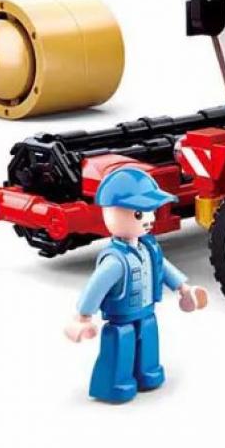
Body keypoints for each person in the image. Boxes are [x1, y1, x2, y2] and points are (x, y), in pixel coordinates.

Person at [65, 166, 208, 403]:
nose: (149, 220)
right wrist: (83, 317)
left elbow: (164, 269)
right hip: (121, 319)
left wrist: (184, 289)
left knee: (149, 341)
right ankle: (114, 385)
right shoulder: (115, 261)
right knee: (120, 345)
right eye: (140, 214)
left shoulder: (148, 249)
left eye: (151, 212)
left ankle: (148, 373)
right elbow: (96, 287)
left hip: (147, 312)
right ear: (110, 213)